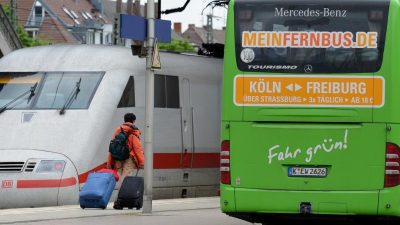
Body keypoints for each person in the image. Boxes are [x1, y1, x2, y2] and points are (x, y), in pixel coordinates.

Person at [107, 113, 144, 180]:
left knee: (120, 175)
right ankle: (124, 190)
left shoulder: (118, 129)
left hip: (117, 157)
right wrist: (141, 162)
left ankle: (121, 190)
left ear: (124, 120)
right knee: (126, 177)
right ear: (133, 120)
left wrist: (109, 161)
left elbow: (112, 145)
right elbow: (137, 148)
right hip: (129, 157)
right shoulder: (134, 131)